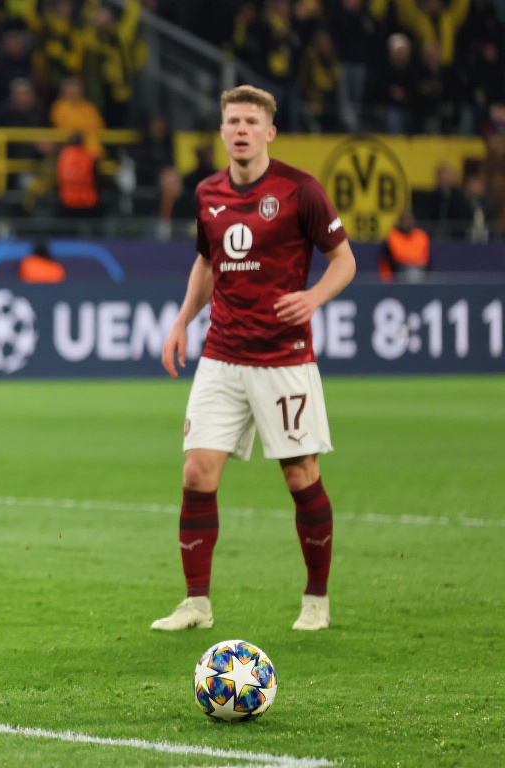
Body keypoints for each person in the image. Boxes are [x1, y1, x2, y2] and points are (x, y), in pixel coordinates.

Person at [153, 85, 356, 633]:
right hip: (222, 355)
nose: (241, 129)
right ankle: (196, 603)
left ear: (269, 131)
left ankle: (316, 599)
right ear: (222, 131)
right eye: (232, 121)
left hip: (284, 359)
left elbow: (344, 260)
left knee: (301, 476)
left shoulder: (300, 190)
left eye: (250, 121)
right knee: (196, 471)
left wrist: (314, 298)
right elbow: (207, 263)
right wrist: (182, 320)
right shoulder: (207, 193)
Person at [378, 208, 430, 282]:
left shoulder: (421, 236)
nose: (407, 222)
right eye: (405, 219)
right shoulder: (392, 237)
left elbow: (427, 262)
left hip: (420, 273)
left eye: (409, 219)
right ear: (399, 222)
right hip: (399, 276)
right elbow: (385, 263)